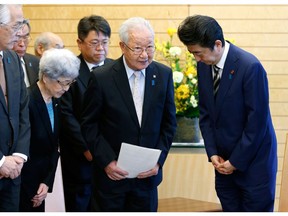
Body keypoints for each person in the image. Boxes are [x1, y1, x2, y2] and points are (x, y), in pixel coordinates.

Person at [177, 15, 277, 212]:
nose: (196, 59)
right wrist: (212, 152)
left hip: (253, 165)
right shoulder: (204, 65)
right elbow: (205, 113)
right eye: (192, 54)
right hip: (223, 164)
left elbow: (256, 123)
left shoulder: (250, 67)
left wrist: (236, 162)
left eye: (198, 53)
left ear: (217, 44)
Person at [81, 17, 177, 212]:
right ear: (122, 46)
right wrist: (107, 161)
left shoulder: (163, 74)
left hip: (147, 179)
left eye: (150, 47)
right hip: (111, 178)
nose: (145, 55)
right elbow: (89, 125)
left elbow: (169, 124)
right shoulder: (102, 77)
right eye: (137, 48)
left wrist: (158, 161)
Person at [60, 15, 113, 212]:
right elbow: (66, 114)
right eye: (94, 43)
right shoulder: (69, 69)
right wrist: (86, 147)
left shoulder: (115, 69)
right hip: (81, 157)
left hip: (111, 155)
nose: (101, 48)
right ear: (79, 43)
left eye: (105, 42)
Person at [19, 48, 80, 212]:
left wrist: (46, 182)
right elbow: (22, 149)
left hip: (41, 183)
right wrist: (34, 186)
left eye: (70, 82)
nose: (67, 88)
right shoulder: (27, 101)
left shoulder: (56, 101)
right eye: (63, 82)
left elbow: (54, 147)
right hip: (24, 184)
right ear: (46, 77)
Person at [0, 4, 30, 212]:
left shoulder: (12, 58)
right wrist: (0, 161)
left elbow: (22, 111)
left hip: (13, 173)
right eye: (16, 25)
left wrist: (19, 155)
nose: (20, 32)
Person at [12, 20, 39, 87]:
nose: (22, 44)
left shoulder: (36, 62)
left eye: (25, 37)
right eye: (17, 37)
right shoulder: (2, 63)